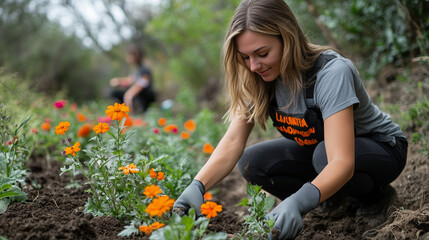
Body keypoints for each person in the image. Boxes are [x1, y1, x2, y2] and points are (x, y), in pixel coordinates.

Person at [173, 0, 408, 239]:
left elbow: (341, 161)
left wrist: (298, 201)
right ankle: (335, 199)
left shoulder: (331, 73)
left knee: (324, 156)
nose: (253, 65)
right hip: (325, 154)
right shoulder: (258, 78)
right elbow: (233, 140)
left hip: (381, 149)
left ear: (287, 37)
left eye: (262, 53)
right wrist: (198, 185)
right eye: (244, 57)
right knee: (252, 162)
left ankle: (374, 199)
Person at [110, 45, 156, 114]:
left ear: (136, 56)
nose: (128, 57)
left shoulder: (144, 69)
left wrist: (129, 96)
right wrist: (119, 81)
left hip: (145, 98)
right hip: (138, 96)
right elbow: (130, 80)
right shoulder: (137, 69)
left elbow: (142, 83)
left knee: (126, 96)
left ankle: (132, 114)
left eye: (130, 55)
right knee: (114, 93)